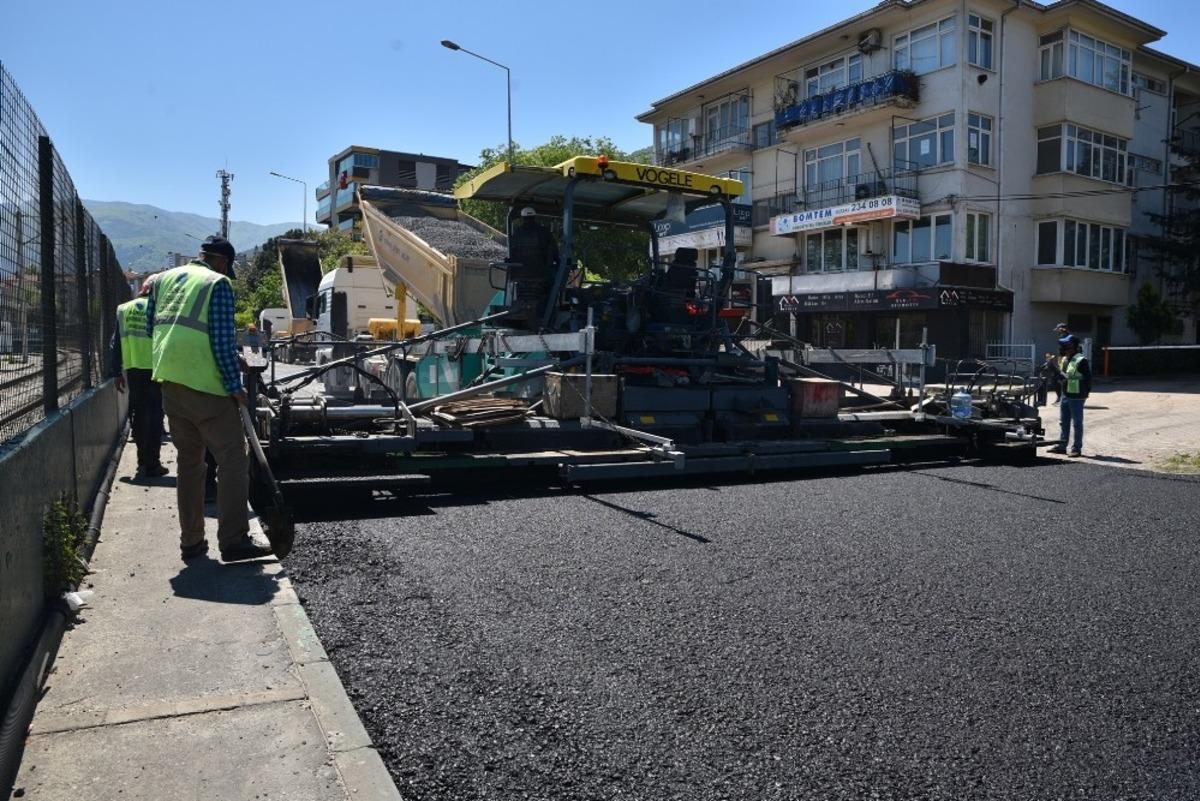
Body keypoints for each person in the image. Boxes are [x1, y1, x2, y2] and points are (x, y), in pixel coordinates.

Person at [146, 236, 272, 562]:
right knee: (233, 460)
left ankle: (191, 542)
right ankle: (234, 541)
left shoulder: (162, 281)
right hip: (207, 387)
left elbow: (154, 330)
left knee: (190, 464)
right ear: (223, 262)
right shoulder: (217, 284)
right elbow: (219, 337)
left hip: (170, 383)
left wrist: (228, 356)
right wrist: (235, 385)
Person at [111, 273, 167, 479]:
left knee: (138, 415)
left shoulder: (124, 309)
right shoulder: (160, 309)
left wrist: (116, 372)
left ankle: (142, 460)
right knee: (155, 416)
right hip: (157, 370)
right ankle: (152, 464)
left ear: (142, 289)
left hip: (133, 369)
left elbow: (115, 344)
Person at [1048, 335, 1091, 457]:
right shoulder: (1065, 359)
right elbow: (1064, 375)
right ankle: (1062, 446)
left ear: (1072, 347)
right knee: (1063, 422)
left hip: (1077, 396)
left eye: (1065, 346)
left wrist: (1085, 393)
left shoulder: (1081, 360)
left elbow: (1087, 378)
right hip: (1065, 394)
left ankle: (1076, 448)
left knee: (1077, 423)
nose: (1063, 348)